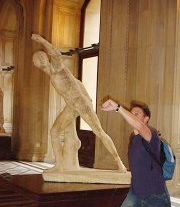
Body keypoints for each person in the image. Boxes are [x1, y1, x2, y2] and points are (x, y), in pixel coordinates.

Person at [31, 34, 126, 173]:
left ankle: (119, 163)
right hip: (72, 106)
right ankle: (60, 165)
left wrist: (41, 41)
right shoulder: (52, 76)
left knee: (99, 131)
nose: (40, 60)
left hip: (81, 104)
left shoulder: (57, 69)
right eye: (38, 60)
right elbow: (77, 84)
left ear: (45, 58)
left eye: (41, 57)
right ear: (37, 65)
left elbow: (56, 53)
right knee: (54, 131)